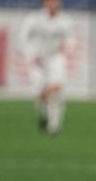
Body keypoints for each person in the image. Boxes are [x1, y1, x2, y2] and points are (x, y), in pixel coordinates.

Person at [18, 0, 75, 135]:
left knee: (55, 91)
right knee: (40, 93)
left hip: (55, 58)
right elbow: (21, 38)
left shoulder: (66, 21)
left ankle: (54, 126)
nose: (55, 4)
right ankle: (44, 115)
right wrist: (29, 54)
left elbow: (72, 40)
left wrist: (67, 47)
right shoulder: (33, 19)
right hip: (36, 59)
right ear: (45, 3)